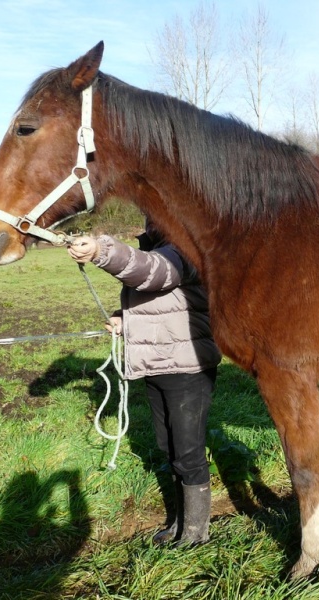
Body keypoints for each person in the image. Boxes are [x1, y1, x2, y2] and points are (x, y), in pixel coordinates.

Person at [68, 220, 221, 546]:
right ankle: (180, 523)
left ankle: (196, 533)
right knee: (170, 449)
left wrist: (100, 251)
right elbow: (162, 303)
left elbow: (154, 274)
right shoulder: (156, 247)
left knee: (188, 452)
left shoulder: (187, 247)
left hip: (188, 367)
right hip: (157, 365)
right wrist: (124, 319)